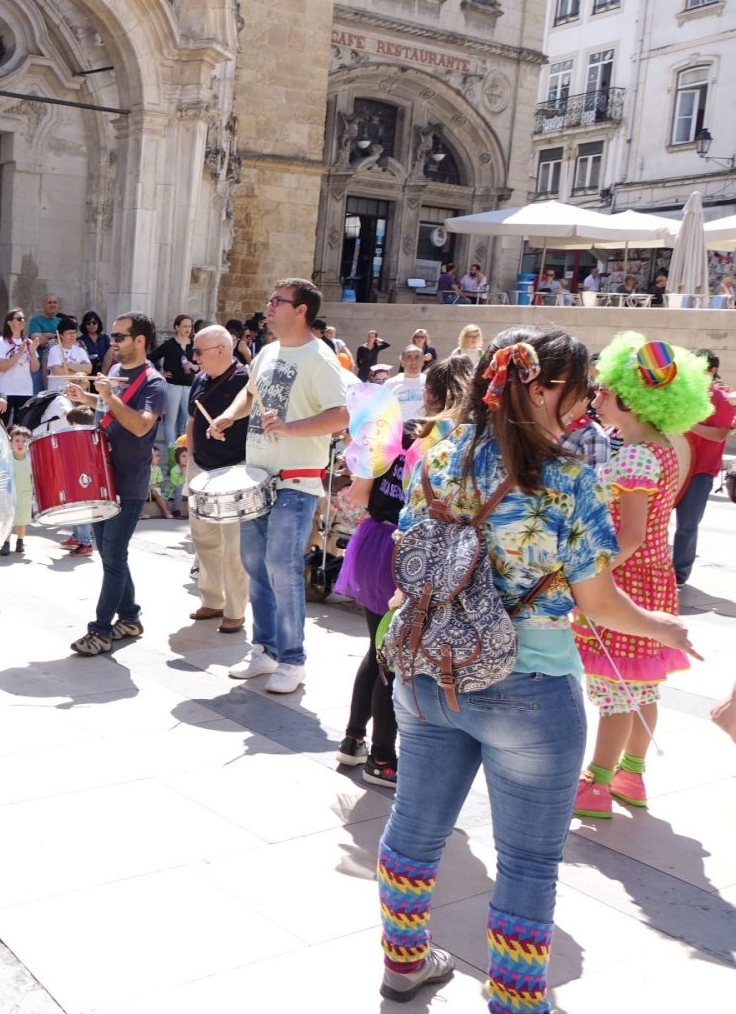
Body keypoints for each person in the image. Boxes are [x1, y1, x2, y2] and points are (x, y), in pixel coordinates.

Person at [373, 326, 693, 1010]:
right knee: (526, 860)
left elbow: (409, 556)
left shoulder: (435, 452)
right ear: (543, 388)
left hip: (429, 670)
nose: (582, 410)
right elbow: (599, 603)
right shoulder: (568, 479)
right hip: (530, 686)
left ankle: (403, 963)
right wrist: (663, 626)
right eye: (575, 394)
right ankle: (517, 1001)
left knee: (414, 829)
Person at [573, 336, 709, 819]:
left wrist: (593, 573)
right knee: (641, 687)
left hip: (627, 583)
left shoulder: (633, 456)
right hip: (655, 579)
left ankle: (596, 782)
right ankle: (632, 774)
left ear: (629, 400)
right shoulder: (664, 448)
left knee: (616, 692)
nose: (596, 398)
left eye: (604, 391)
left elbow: (628, 535)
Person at [333, 356, 473, 789]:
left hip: (374, 543)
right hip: (405, 551)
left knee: (378, 649)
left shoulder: (396, 433)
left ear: (428, 394)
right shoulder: (449, 445)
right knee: (395, 659)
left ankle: (354, 740)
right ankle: (381, 757)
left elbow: (357, 494)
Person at [209, 278, 348, 694]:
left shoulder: (321, 358)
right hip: (257, 476)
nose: (268, 307)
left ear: (301, 309)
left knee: (283, 569)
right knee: (255, 566)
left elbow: (341, 415)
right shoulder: (266, 352)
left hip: (296, 480)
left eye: (277, 301)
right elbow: (250, 396)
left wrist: (290, 428)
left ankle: (293, 659)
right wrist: (229, 416)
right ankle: (265, 649)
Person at [63, 313, 166, 656]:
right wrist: (87, 398)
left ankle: (101, 631)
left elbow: (140, 426)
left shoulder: (154, 382)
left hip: (129, 481)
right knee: (111, 556)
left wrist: (108, 396)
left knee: (113, 556)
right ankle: (131, 618)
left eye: (120, 337)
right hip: (102, 477)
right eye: (113, 336)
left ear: (140, 340)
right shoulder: (118, 374)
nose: (113, 342)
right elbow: (110, 411)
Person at [184, 324, 249, 633]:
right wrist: (192, 459)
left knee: (234, 544)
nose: (194, 357)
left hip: (235, 467)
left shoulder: (245, 380)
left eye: (199, 351)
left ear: (222, 350)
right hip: (202, 467)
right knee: (203, 538)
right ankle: (212, 599)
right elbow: (192, 420)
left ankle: (236, 610)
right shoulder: (200, 379)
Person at [673, 350, 732, 584]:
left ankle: (679, 573)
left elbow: (719, 434)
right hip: (675, 467)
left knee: (687, 523)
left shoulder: (721, 399)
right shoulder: (682, 395)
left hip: (701, 471)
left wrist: (689, 425)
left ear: (712, 371)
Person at [151, 315, 197, 463]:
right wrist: (160, 374)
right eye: (184, 326)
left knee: (185, 423)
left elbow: (201, 365)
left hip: (189, 386)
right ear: (177, 327)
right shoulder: (169, 344)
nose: (187, 329)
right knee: (170, 423)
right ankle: (172, 457)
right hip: (172, 385)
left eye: (189, 326)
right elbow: (151, 357)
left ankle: (183, 457)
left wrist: (194, 366)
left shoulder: (194, 345)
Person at [0, 309, 38, 426]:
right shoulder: (1, 341)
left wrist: (32, 352)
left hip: (25, 390)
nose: (22, 321)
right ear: (9, 322)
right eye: (18, 319)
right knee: (1, 425)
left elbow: (35, 368)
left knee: (22, 428)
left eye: (23, 319)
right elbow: (1, 367)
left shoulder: (28, 342)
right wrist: (19, 353)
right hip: (5, 391)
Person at [2, 425, 31, 556]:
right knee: (8, 518)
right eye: (17, 441)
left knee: (22, 519)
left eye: (24, 441)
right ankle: (6, 542)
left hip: (25, 493)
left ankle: (20, 541)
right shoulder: (7, 458)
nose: (20, 444)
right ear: (11, 443)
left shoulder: (31, 459)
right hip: (8, 494)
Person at [27, 294, 63, 390]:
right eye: (49, 302)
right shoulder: (36, 320)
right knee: (38, 393)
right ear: (43, 305)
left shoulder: (61, 321)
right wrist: (56, 336)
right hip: (39, 363)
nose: (52, 305)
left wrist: (45, 335)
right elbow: (38, 340)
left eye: (54, 302)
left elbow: (65, 341)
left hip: (57, 364)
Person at [383, 346, 428, 419]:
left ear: (423, 362)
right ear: (402, 362)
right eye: (409, 357)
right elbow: (382, 409)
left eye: (417, 357)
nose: (414, 362)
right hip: (400, 428)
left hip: (423, 428)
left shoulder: (430, 382)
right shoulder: (390, 384)